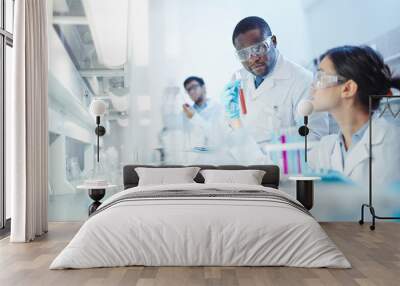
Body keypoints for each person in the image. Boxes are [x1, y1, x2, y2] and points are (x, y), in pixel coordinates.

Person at [222, 16, 329, 164]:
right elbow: (231, 131)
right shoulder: (238, 79)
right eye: (244, 54)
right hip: (245, 169)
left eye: (258, 48)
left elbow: (312, 143)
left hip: (282, 174)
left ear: (273, 42)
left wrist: (266, 165)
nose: (253, 58)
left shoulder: (303, 81)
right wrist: (229, 119)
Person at [308, 45, 400, 188]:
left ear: (348, 89)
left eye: (320, 77)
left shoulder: (393, 144)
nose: (313, 86)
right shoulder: (326, 148)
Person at [181, 76, 229, 163]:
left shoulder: (219, 109)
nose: (191, 91)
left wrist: (194, 117)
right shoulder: (185, 114)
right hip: (194, 162)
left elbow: (219, 137)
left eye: (194, 87)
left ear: (203, 87)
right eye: (188, 90)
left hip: (216, 162)